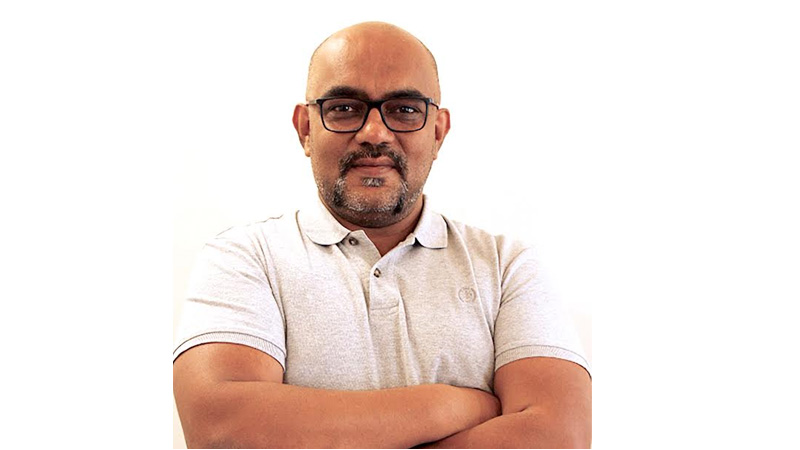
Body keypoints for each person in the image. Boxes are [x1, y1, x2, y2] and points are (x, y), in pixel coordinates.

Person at [173, 21, 591, 448]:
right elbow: (221, 430)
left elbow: (561, 436)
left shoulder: (507, 267)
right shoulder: (244, 258)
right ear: (305, 129)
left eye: (405, 109)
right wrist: (453, 404)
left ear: (437, 131)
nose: (374, 133)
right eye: (344, 108)